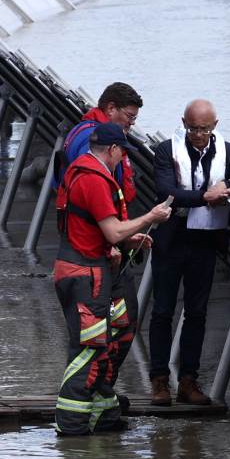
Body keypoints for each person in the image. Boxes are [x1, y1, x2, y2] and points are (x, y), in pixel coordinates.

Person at [53, 122, 172, 435]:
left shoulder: (84, 170)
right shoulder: (93, 180)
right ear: (113, 150)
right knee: (89, 348)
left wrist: (129, 240)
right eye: (123, 153)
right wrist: (150, 218)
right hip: (85, 275)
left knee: (112, 339)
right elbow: (112, 230)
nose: (124, 160)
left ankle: (105, 415)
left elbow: (97, 229)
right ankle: (72, 427)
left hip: (90, 269)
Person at [148, 99, 230, 406]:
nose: (198, 134)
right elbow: (166, 193)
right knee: (162, 310)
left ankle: (188, 381)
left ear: (214, 126)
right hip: (171, 239)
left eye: (204, 129)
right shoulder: (165, 150)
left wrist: (227, 188)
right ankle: (159, 381)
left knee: (197, 313)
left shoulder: (226, 150)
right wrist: (204, 196)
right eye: (192, 128)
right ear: (183, 123)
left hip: (205, 241)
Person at [56, 83, 148, 388]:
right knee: (92, 341)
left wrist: (124, 238)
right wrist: (140, 224)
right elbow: (95, 207)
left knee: (118, 324)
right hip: (95, 260)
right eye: (128, 117)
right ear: (110, 109)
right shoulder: (92, 155)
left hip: (102, 254)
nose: (131, 125)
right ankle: (78, 416)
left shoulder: (94, 139)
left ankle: (101, 397)